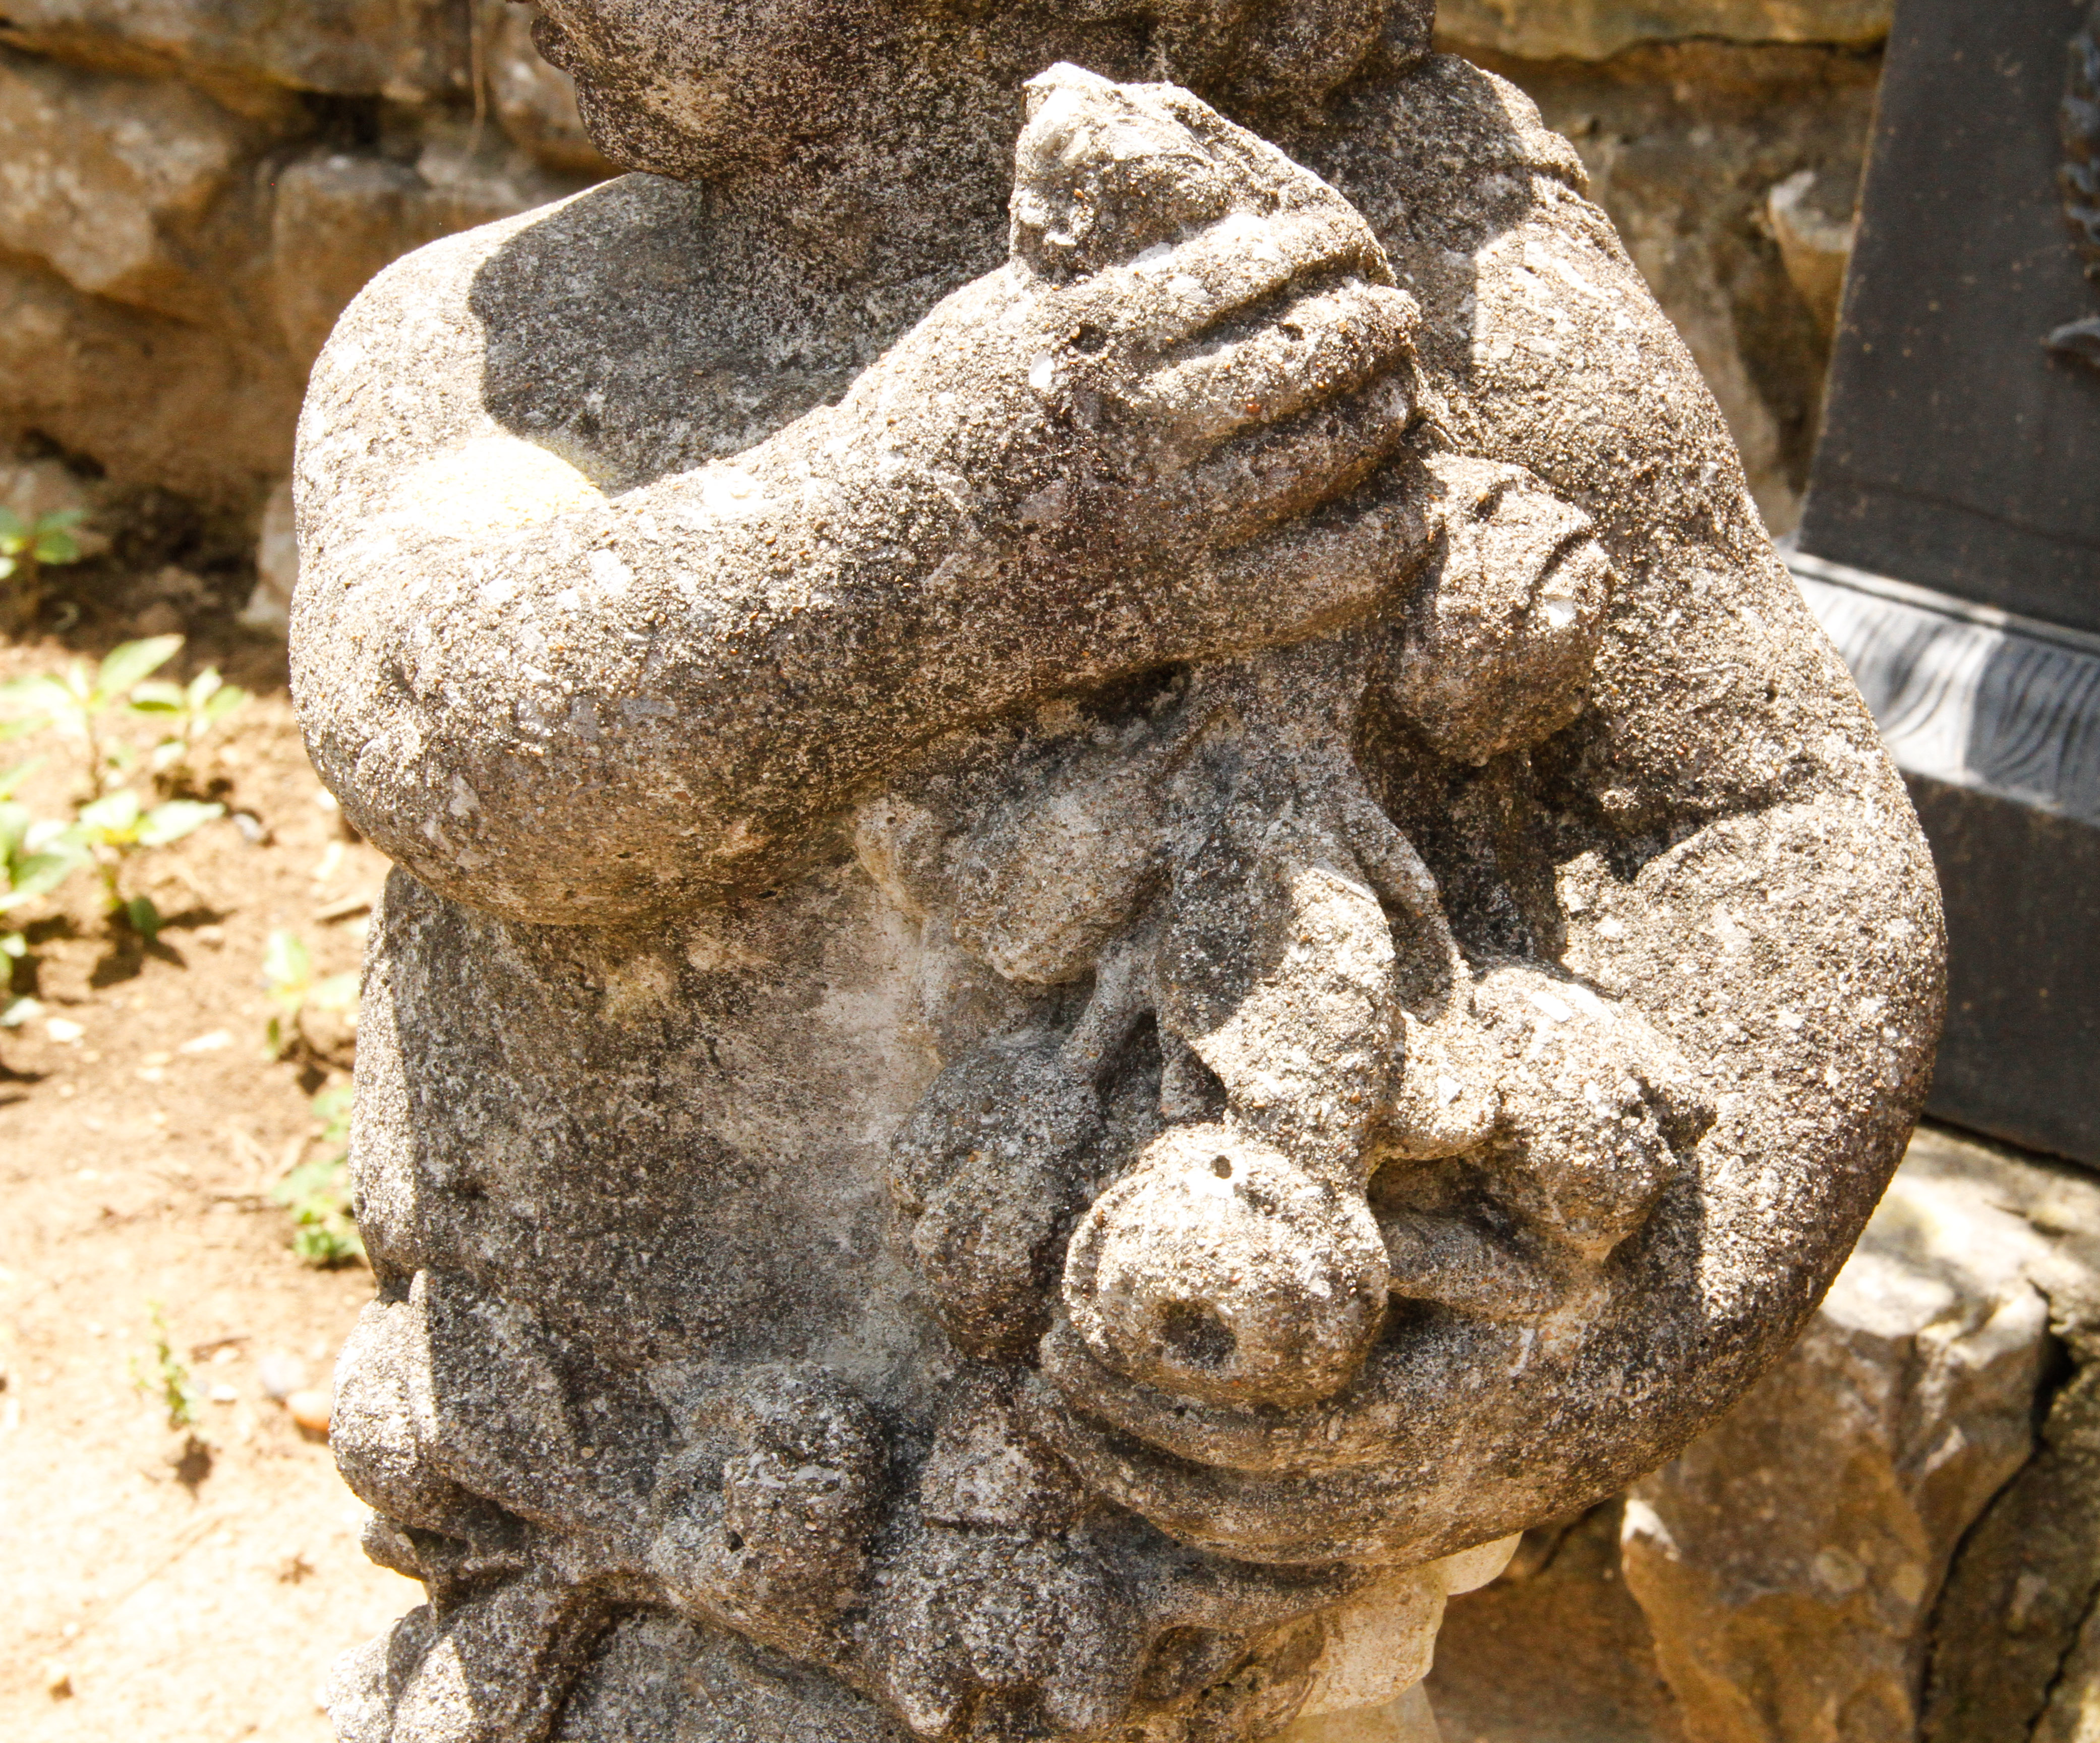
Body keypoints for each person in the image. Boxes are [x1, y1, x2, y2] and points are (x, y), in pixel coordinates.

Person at [297, 5, 1943, 1740]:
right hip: (607, 1598)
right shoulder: (508, 332)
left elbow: (1765, 821)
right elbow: (469, 740)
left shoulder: (1408, 268)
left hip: (1198, 1639)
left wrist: (1574, 1372)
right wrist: (962, 522)